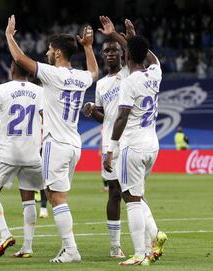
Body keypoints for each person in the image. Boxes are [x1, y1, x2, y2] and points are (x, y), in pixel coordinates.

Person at [5, 15, 98, 263]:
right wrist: (89, 47)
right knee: (57, 195)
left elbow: (20, 60)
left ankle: (71, 250)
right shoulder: (80, 77)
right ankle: (68, 248)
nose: (46, 52)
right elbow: (94, 72)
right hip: (74, 144)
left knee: (56, 197)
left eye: (49, 49)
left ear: (57, 53)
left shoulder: (51, 74)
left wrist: (9, 37)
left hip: (55, 143)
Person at [103, 29, 168, 266]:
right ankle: (152, 240)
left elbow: (121, 118)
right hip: (152, 145)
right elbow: (152, 58)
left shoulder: (129, 82)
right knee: (137, 197)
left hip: (132, 146)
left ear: (127, 54)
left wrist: (110, 149)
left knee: (131, 200)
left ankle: (140, 254)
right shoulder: (155, 73)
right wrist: (129, 37)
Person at [0, 61, 44, 258]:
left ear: (12, 69)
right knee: (29, 199)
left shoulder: (1, 89)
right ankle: (27, 248)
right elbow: (47, 118)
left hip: (8, 153)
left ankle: (5, 233)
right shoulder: (39, 91)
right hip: (32, 153)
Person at [83, 16, 131, 259]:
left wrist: (113, 35)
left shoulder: (130, 72)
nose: (111, 54)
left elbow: (136, 49)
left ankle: (146, 237)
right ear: (102, 57)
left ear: (122, 55)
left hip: (131, 140)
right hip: (109, 142)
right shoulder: (101, 84)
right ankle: (114, 246)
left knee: (131, 192)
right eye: (107, 51)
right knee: (114, 192)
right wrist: (93, 111)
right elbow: (107, 117)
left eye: (114, 50)